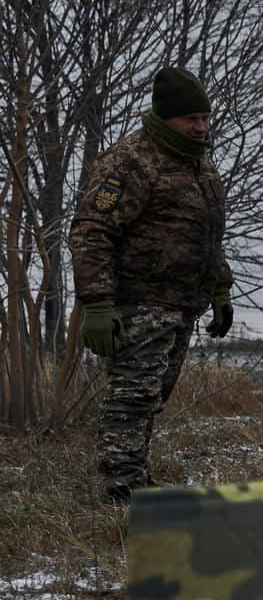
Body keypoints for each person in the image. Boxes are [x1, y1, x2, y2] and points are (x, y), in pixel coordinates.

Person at [70, 66, 234, 504]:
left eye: (205, 118)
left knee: (153, 395)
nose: (201, 127)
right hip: (139, 301)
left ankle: (134, 481)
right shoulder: (130, 161)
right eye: (191, 120)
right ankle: (123, 493)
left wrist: (221, 290)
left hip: (183, 303)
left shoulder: (201, 164)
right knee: (132, 397)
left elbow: (209, 234)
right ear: (166, 119)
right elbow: (91, 230)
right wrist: (97, 305)